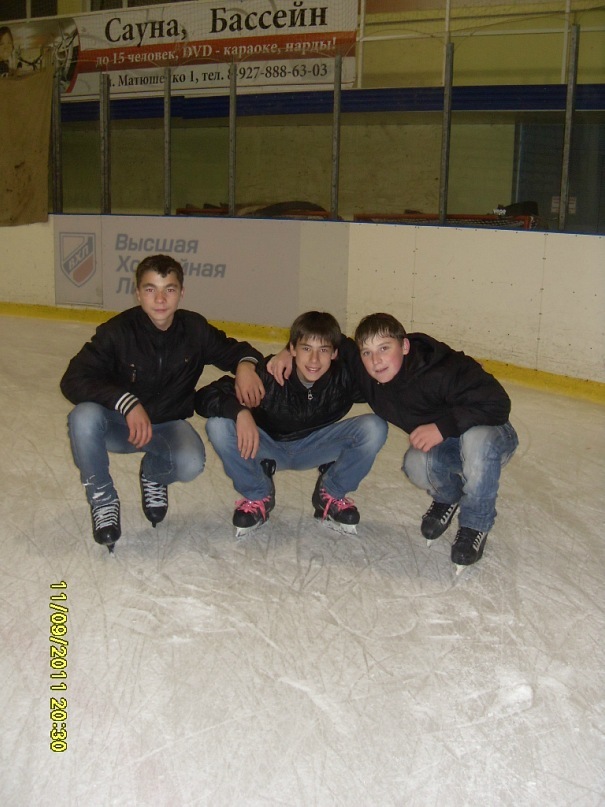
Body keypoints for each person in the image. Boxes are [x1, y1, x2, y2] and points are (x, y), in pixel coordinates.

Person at [269, 313, 518, 569]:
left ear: (405, 346)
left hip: (491, 433)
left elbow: (498, 403)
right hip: (449, 443)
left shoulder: (440, 369)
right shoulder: (366, 370)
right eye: (367, 352)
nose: (376, 360)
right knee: (415, 465)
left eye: (384, 348)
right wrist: (287, 353)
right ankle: (448, 497)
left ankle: (475, 525)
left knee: (476, 442)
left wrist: (442, 427)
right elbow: (324, 339)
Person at [60, 253, 264, 552]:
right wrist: (126, 402)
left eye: (169, 289)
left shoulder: (194, 329)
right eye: (150, 289)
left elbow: (236, 351)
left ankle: (153, 474)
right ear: (137, 293)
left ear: (181, 292)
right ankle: (103, 500)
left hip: (166, 426)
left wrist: (245, 365)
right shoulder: (117, 332)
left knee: (190, 462)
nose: (160, 299)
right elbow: (73, 379)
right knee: (83, 417)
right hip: (120, 425)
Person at [195, 311, 388, 537]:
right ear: (293, 349)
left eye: (323, 350)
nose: (314, 360)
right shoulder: (270, 374)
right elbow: (205, 397)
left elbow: (382, 384)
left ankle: (331, 493)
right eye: (306, 349)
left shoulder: (344, 379)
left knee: (374, 427)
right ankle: (258, 494)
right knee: (219, 426)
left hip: (316, 448)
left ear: (335, 353)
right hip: (267, 447)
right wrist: (240, 412)